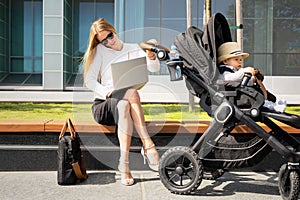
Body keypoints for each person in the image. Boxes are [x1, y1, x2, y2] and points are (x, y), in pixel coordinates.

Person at [82, 18, 160, 186]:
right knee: (132, 93)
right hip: (104, 104)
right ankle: (148, 144)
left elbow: (154, 69)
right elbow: (89, 81)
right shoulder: (101, 52)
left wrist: (151, 56)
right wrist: (107, 92)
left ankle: (124, 165)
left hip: (124, 104)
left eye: (109, 36)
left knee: (126, 102)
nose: (108, 42)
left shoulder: (134, 48)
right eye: (103, 41)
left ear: (114, 30)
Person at [217, 42, 286, 112]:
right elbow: (229, 78)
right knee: (256, 97)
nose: (239, 62)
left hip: (240, 92)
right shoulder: (225, 71)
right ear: (225, 61)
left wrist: (253, 80)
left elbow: (242, 81)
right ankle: (271, 106)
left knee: (263, 94)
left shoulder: (236, 71)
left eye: (240, 60)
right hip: (234, 96)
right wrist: (243, 71)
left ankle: (272, 103)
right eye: (236, 59)